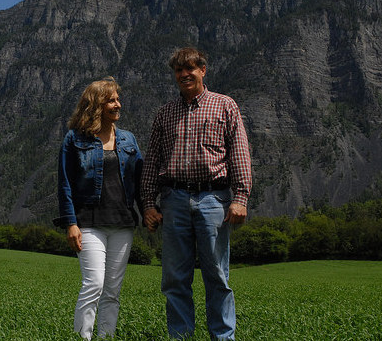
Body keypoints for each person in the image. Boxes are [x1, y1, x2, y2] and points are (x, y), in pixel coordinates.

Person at [141, 47, 252, 340]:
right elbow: (153, 160)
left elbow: (239, 153)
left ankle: (223, 337)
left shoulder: (225, 105)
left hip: (213, 199)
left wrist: (240, 198)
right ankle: (181, 337)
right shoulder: (165, 113)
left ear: (203, 70)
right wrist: (148, 204)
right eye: (179, 71)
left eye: (190, 69)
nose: (184, 75)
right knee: (175, 278)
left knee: (217, 275)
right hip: (174, 199)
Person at [56, 77, 143, 340]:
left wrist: (148, 209)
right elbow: (65, 184)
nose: (118, 104)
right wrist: (71, 223)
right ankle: (82, 337)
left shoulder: (128, 139)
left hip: (122, 223)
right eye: (112, 100)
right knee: (93, 284)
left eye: (118, 99)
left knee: (112, 291)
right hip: (89, 222)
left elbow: (139, 181)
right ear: (96, 106)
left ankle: (106, 336)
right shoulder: (74, 139)